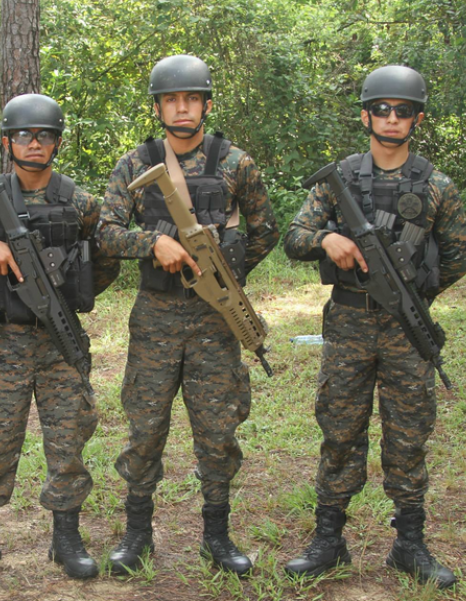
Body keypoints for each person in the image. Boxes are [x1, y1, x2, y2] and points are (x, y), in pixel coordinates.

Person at [282, 65, 466, 589]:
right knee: (339, 430)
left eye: (403, 110)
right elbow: (294, 236)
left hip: (405, 330)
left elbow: (456, 259)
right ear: (366, 115)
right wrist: (326, 241)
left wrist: (410, 288)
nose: (391, 118)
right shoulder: (340, 179)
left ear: (417, 118)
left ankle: (409, 543)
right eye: (382, 109)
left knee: (408, 435)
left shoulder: (437, 187)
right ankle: (328, 539)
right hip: (348, 324)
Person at [98, 54, 280, 577]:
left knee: (218, 426)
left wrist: (222, 269)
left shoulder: (234, 163)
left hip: (214, 319)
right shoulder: (136, 163)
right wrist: (153, 242)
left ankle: (217, 536)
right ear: (158, 106)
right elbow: (105, 231)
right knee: (145, 425)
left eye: (191, 99)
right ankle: (136, 535)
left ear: (204, 103)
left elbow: (266, 229)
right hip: (154, 315)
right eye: (172, 100)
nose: (182, 108)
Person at [0, 93, 119, 581]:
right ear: (8, 140)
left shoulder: (79, 201)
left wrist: (70, 292)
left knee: (68, 438)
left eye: (44, 136)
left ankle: (66, 537)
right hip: (7, 340)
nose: (34, 144)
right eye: (24, 135)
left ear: (57, 143)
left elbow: (106, 258)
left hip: (61, 339)